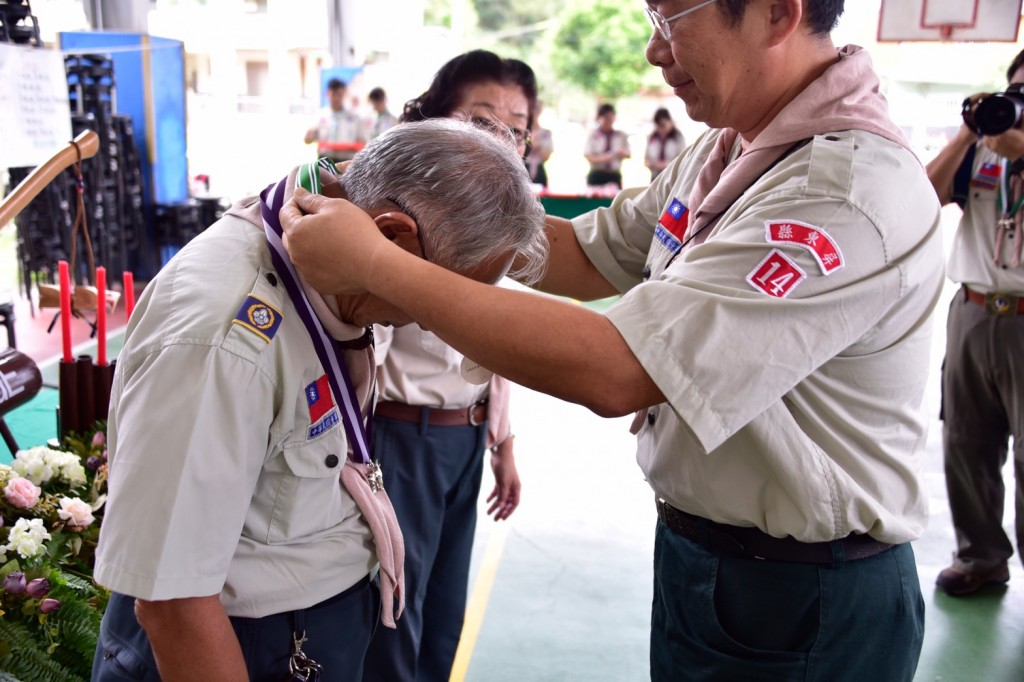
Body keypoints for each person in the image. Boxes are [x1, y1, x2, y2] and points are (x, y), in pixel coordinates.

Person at [281, 1, 946, 680]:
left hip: (806, 595)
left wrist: (376, 263)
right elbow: (582, 254)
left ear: (776, 14)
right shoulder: (728, 150)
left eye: (670, 19)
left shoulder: (843, 191)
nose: (656, 52)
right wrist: (420, 204)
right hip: (709, 558)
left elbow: (619, 368)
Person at [90, 118, 547, 681]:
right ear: (393, 236)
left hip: (298, 633)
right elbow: (173, 603)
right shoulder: (226, 342)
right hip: (239, 647)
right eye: (452, 288)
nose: (450, 314)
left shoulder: (330, 261)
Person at [361, 49, 537, 682]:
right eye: (483, 121)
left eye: (516, 129)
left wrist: (501, 438)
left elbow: (490, 335)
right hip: (400, 436)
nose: (504, 140)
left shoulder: (496, 217)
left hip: (463, 438)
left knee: (443, 617)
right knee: (395, 613)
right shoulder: (400, 212)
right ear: (436, 119)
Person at [926, 48, 1024, 597]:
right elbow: (925, 194)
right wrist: (967, 134)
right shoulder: (985, 152)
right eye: (1016, 91)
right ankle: (980, 557)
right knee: (965, 441)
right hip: (973, 309)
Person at [304, 77, 368, 162]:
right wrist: (309, 136)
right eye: (333, 94)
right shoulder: (320, 116)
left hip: (347, 161)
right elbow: (308, 140)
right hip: (324, 160)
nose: (336, 98)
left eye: (339, 94)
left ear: (344, 94)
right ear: (327, 94)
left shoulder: (354, 118)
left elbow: (364, 142)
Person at [583, 102, 630, 189]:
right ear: (599, 118)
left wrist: (621, 153)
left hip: (614, 175)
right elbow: (588, 156)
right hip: (596, 174)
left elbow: (629, 154)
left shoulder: (621, 135)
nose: (608, 120)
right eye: (605, 117)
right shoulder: (593, 135)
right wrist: (608, 157)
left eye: (610, 117)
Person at [644, 107, 686, 180]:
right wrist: (652, 164)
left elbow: (683, 159)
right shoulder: (652, 137)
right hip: (655, 176)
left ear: (670, 122)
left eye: (663, 125)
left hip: (673, 177)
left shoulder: (678, 138)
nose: (660, 129)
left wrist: (667, 165)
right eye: (658, 126)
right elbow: (646, 159)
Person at [527, 101, 554, 188]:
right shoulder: (521, 132)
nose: (534, 112)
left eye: (537, 109)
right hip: (522, 169)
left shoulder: (546, 133)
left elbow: (546, 157)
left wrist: (537, 146)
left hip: (539, 172)